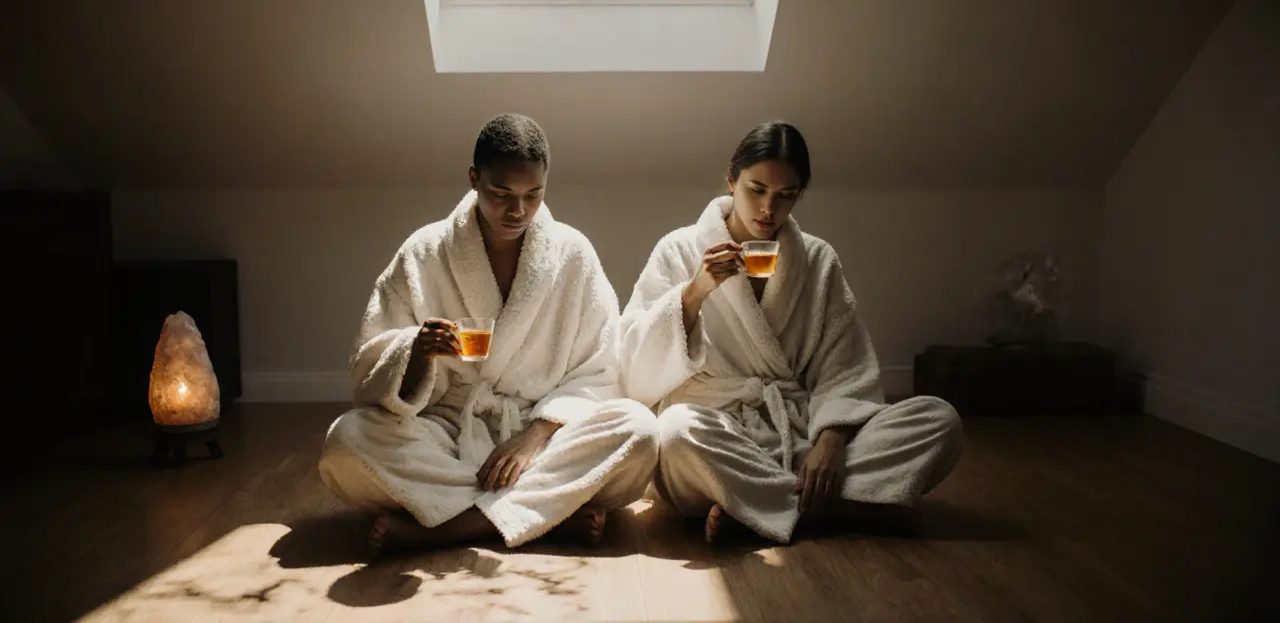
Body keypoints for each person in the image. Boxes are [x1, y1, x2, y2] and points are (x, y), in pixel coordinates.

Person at [320, 113, 659, 555]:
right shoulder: (424, 251)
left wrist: (534, 437)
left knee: (639, 430)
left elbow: (601, 365)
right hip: (445, 429)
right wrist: (416, 353)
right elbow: (369, 366)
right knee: (346, 443)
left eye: (532, 195)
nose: (517, 211)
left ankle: (453, 525)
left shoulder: (572, 254)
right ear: (474, 180)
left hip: (541, 431)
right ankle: (545, 515)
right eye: (501, 194)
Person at [618, 121, 963, 545]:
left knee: (938, 420)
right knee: (673, 431)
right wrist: (693, 293)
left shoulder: (817, 260)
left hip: (799, 436)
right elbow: (634, 367)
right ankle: (841, 507)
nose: (768, 208)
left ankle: (759, 506)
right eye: (756, 189)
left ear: (800, 193)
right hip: (719, 432)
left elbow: (845, 366)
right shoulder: (680, 249)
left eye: (786, 195)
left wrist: (830, 442)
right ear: (731, 180)